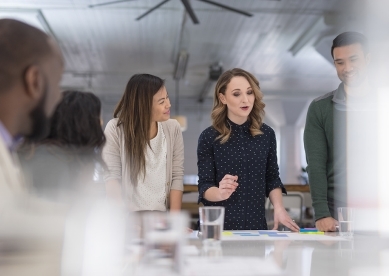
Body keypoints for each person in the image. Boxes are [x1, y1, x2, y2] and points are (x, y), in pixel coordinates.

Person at [197, 68, 299, 231]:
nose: (245, 100)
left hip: (255, 227)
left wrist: (279, 209)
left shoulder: (267, 134)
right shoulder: (209, 137)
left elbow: (272, 178)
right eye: (237, 94)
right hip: (218, 229)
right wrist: (220, 193)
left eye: (249, 92)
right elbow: (204, 186)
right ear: (223, 97)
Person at [304, 32, 372, 232]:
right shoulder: (320, 108)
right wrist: (322, 213)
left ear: (367, 59)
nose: (347, 68)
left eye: (353, 60)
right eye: (339, 62)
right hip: (336, 211)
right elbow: (316, 165)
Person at [102, 74, 184, 212]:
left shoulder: (173, 128)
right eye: (161, 101)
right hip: (126, 218)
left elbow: (177, 176)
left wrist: (174, 222)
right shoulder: (115, 129)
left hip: (160, 218)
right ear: (143, 105)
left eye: (167, 97)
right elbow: (112, 178)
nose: (168, 104)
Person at [18, 91, 106, 202]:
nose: (101, 124)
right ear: (83, 125)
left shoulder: (51, 155)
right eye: (97, 120)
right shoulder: (52, 162)